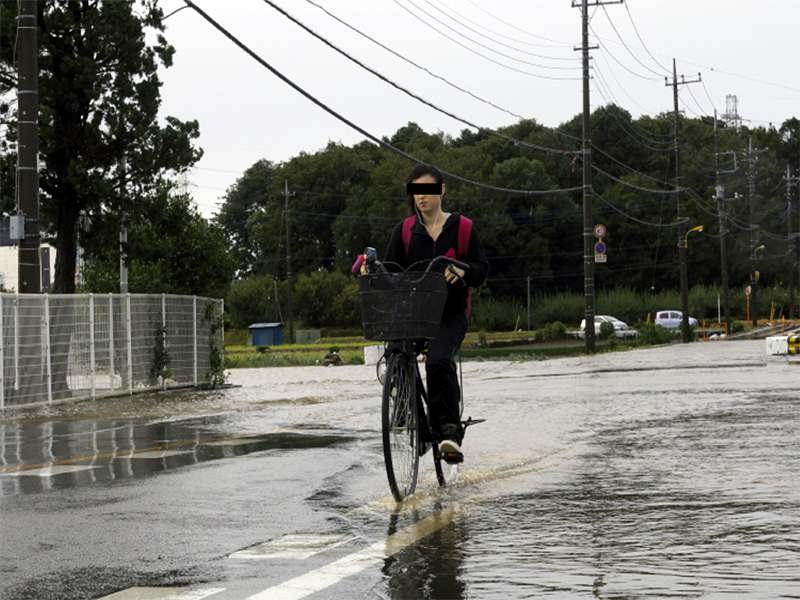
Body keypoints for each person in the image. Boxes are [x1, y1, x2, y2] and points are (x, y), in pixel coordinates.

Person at [375, 163, 489, 461]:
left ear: (441, 190)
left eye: (427, 189)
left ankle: (449, 431)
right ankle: (408, 410)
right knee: (396, 350)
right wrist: (369, 268)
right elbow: (389, 272)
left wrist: (463, 269)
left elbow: (480, 271)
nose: (421, 197)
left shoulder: (463, 228)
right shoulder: (404, 231)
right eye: (415, 191)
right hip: (414, 313)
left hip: (451, 313)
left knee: (438, 361)